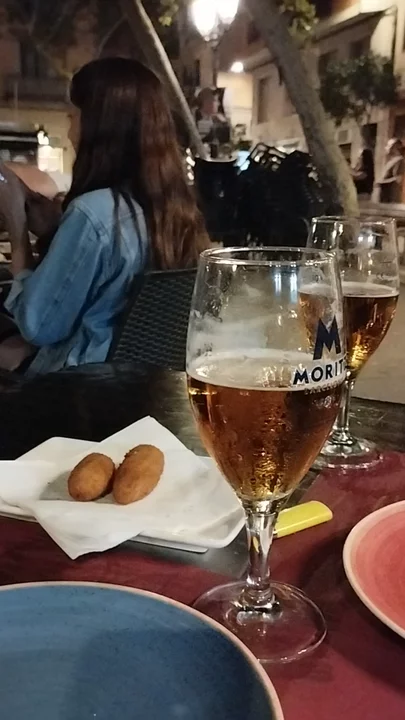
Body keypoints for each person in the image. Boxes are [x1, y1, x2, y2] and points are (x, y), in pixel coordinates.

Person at [0, 57, 209, 375]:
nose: (70, 124)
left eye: (74, 113)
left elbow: (37, 325)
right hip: (143, 380)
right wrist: (53, 231)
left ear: (99, 124)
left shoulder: (93, 213)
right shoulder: (176, 211)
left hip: (78, 383)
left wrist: (17, 230)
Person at [377, 138, 405, 204]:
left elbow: (398, 179)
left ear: (396, 147)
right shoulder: (392, 160)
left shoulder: (399, 161)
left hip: (392, 197)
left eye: (389, 145)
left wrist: (381, 182)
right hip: (386, 195)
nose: (386, 148)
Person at [352, 129, 375, 201]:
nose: (358, 159)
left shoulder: (366, 172)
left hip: (362, 196)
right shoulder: (359, 170)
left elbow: (356, 177)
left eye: (360, 157)